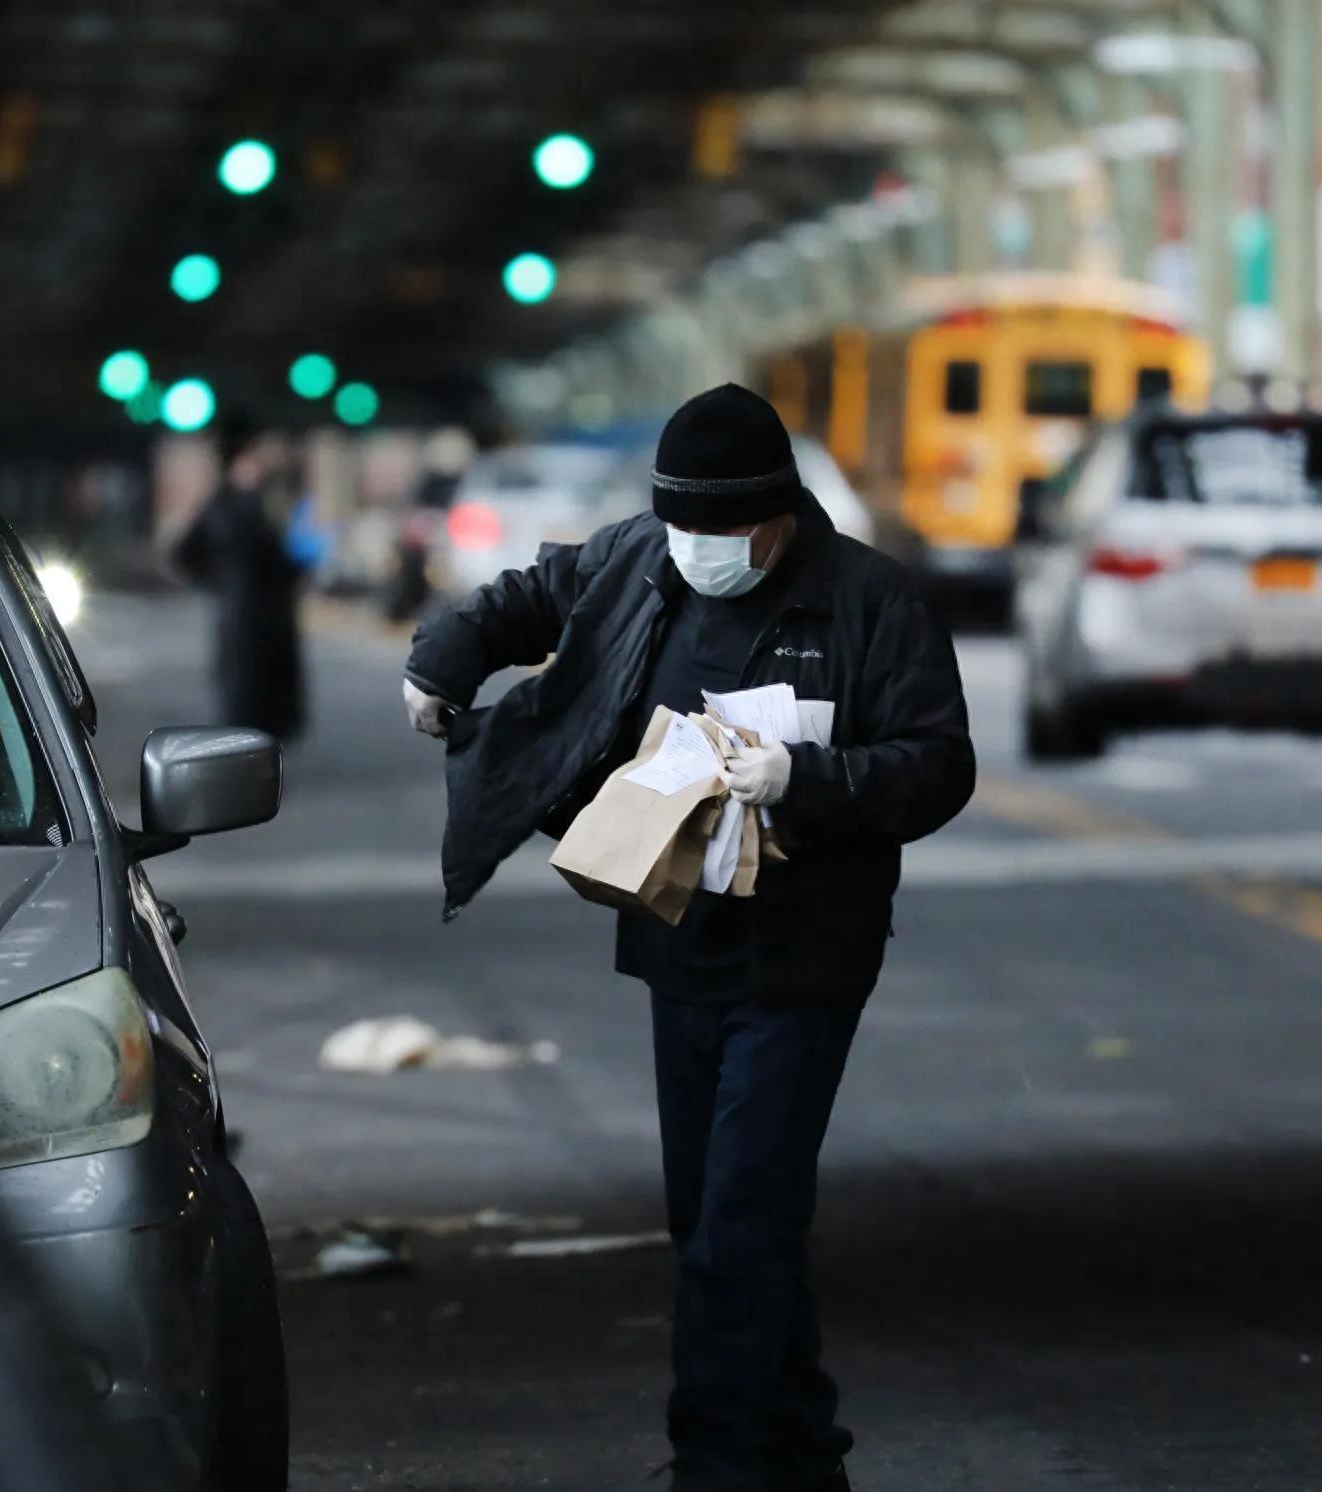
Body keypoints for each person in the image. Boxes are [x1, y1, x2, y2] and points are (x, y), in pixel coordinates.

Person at [401, 385, 975, 1492]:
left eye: (717, 535)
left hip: (806, 956)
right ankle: (799, 1455)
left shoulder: (871, 602)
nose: (695, 553)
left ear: (777, 522)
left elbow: (938, 763)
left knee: (741, 1221)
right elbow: (528, 595)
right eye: (679, 529)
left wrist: (811, 778)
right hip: (681, 939)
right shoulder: (640, 563)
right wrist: (443, 660)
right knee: (710, 1216)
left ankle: (713, 1464)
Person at [177, 418, 307, 741]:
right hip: (244, 619)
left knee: (266, 702)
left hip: (263, 614)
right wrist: (219, 584)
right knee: (246, 699)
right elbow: (185, 552)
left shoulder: (259, 499)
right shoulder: (229, 503)